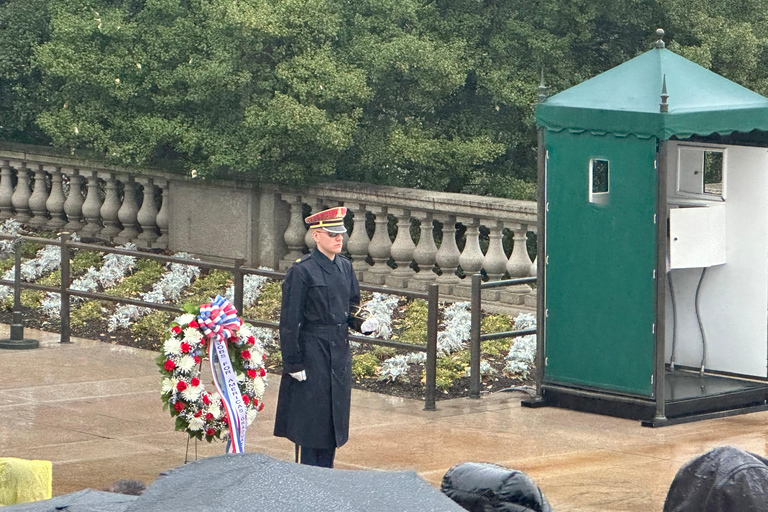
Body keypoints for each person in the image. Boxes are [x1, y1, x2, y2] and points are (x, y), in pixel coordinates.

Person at [273, 206, 378, 468]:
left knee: (332, 421)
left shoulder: (344, 267)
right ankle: (308, 482)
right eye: (332, 234)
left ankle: (326, 477)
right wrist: (293, 362)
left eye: (340, 234)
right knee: (311, 424)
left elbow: (351, 306)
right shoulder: (302, 271)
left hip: (338, 351)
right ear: (316, 236)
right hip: (312, 350)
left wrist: (362, 323)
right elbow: (289, 320)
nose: (339, 239)